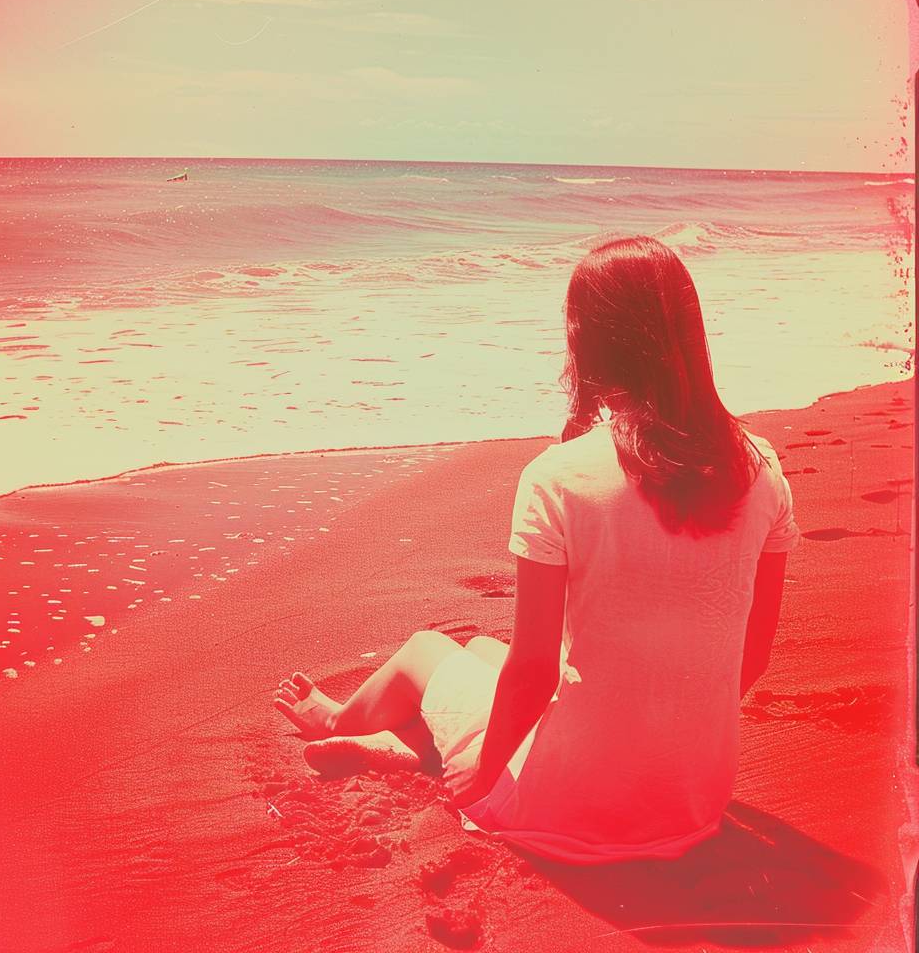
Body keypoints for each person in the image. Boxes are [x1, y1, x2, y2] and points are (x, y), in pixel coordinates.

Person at [274, 235, 800, 864]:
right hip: (691, 802)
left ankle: (338, 723)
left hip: (571, 809)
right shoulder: (760, 468)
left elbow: (533, 675)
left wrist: (489, 772)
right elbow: (754, 654)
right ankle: (413, 740)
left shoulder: (561, 477)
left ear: (589, 343)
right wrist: (661, 734)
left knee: (428, 650)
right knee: (482, 650)